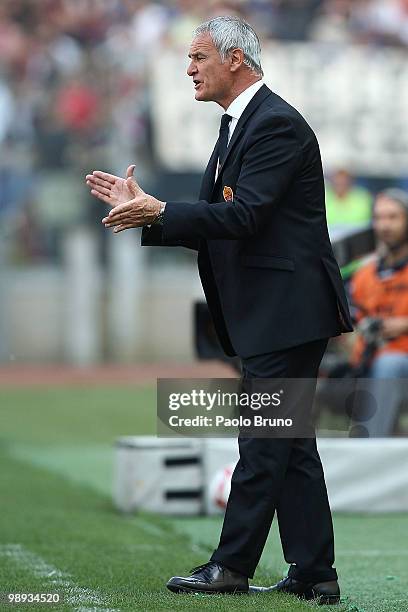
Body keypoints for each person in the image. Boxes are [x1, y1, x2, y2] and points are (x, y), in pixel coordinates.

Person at [85, 15, 352, 605]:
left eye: (199, 57)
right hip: (277, 310)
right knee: (291, 443)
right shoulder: (242, 123)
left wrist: (159, 210)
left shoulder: (274, 124)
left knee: (262, 441)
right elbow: (222, 221)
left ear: (236, 59)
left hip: (286, 311)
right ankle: (315, 571)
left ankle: (232, 566)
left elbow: (245, 217)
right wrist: (150, 216)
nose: (189, 69)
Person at [350, 188, 408, 436]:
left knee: (388, 365)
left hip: (398, 359)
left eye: (393, 217)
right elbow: (353, 320)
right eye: (379, 218)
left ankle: (370, 452)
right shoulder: (364, 273)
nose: (385, 225)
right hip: (366, 357)